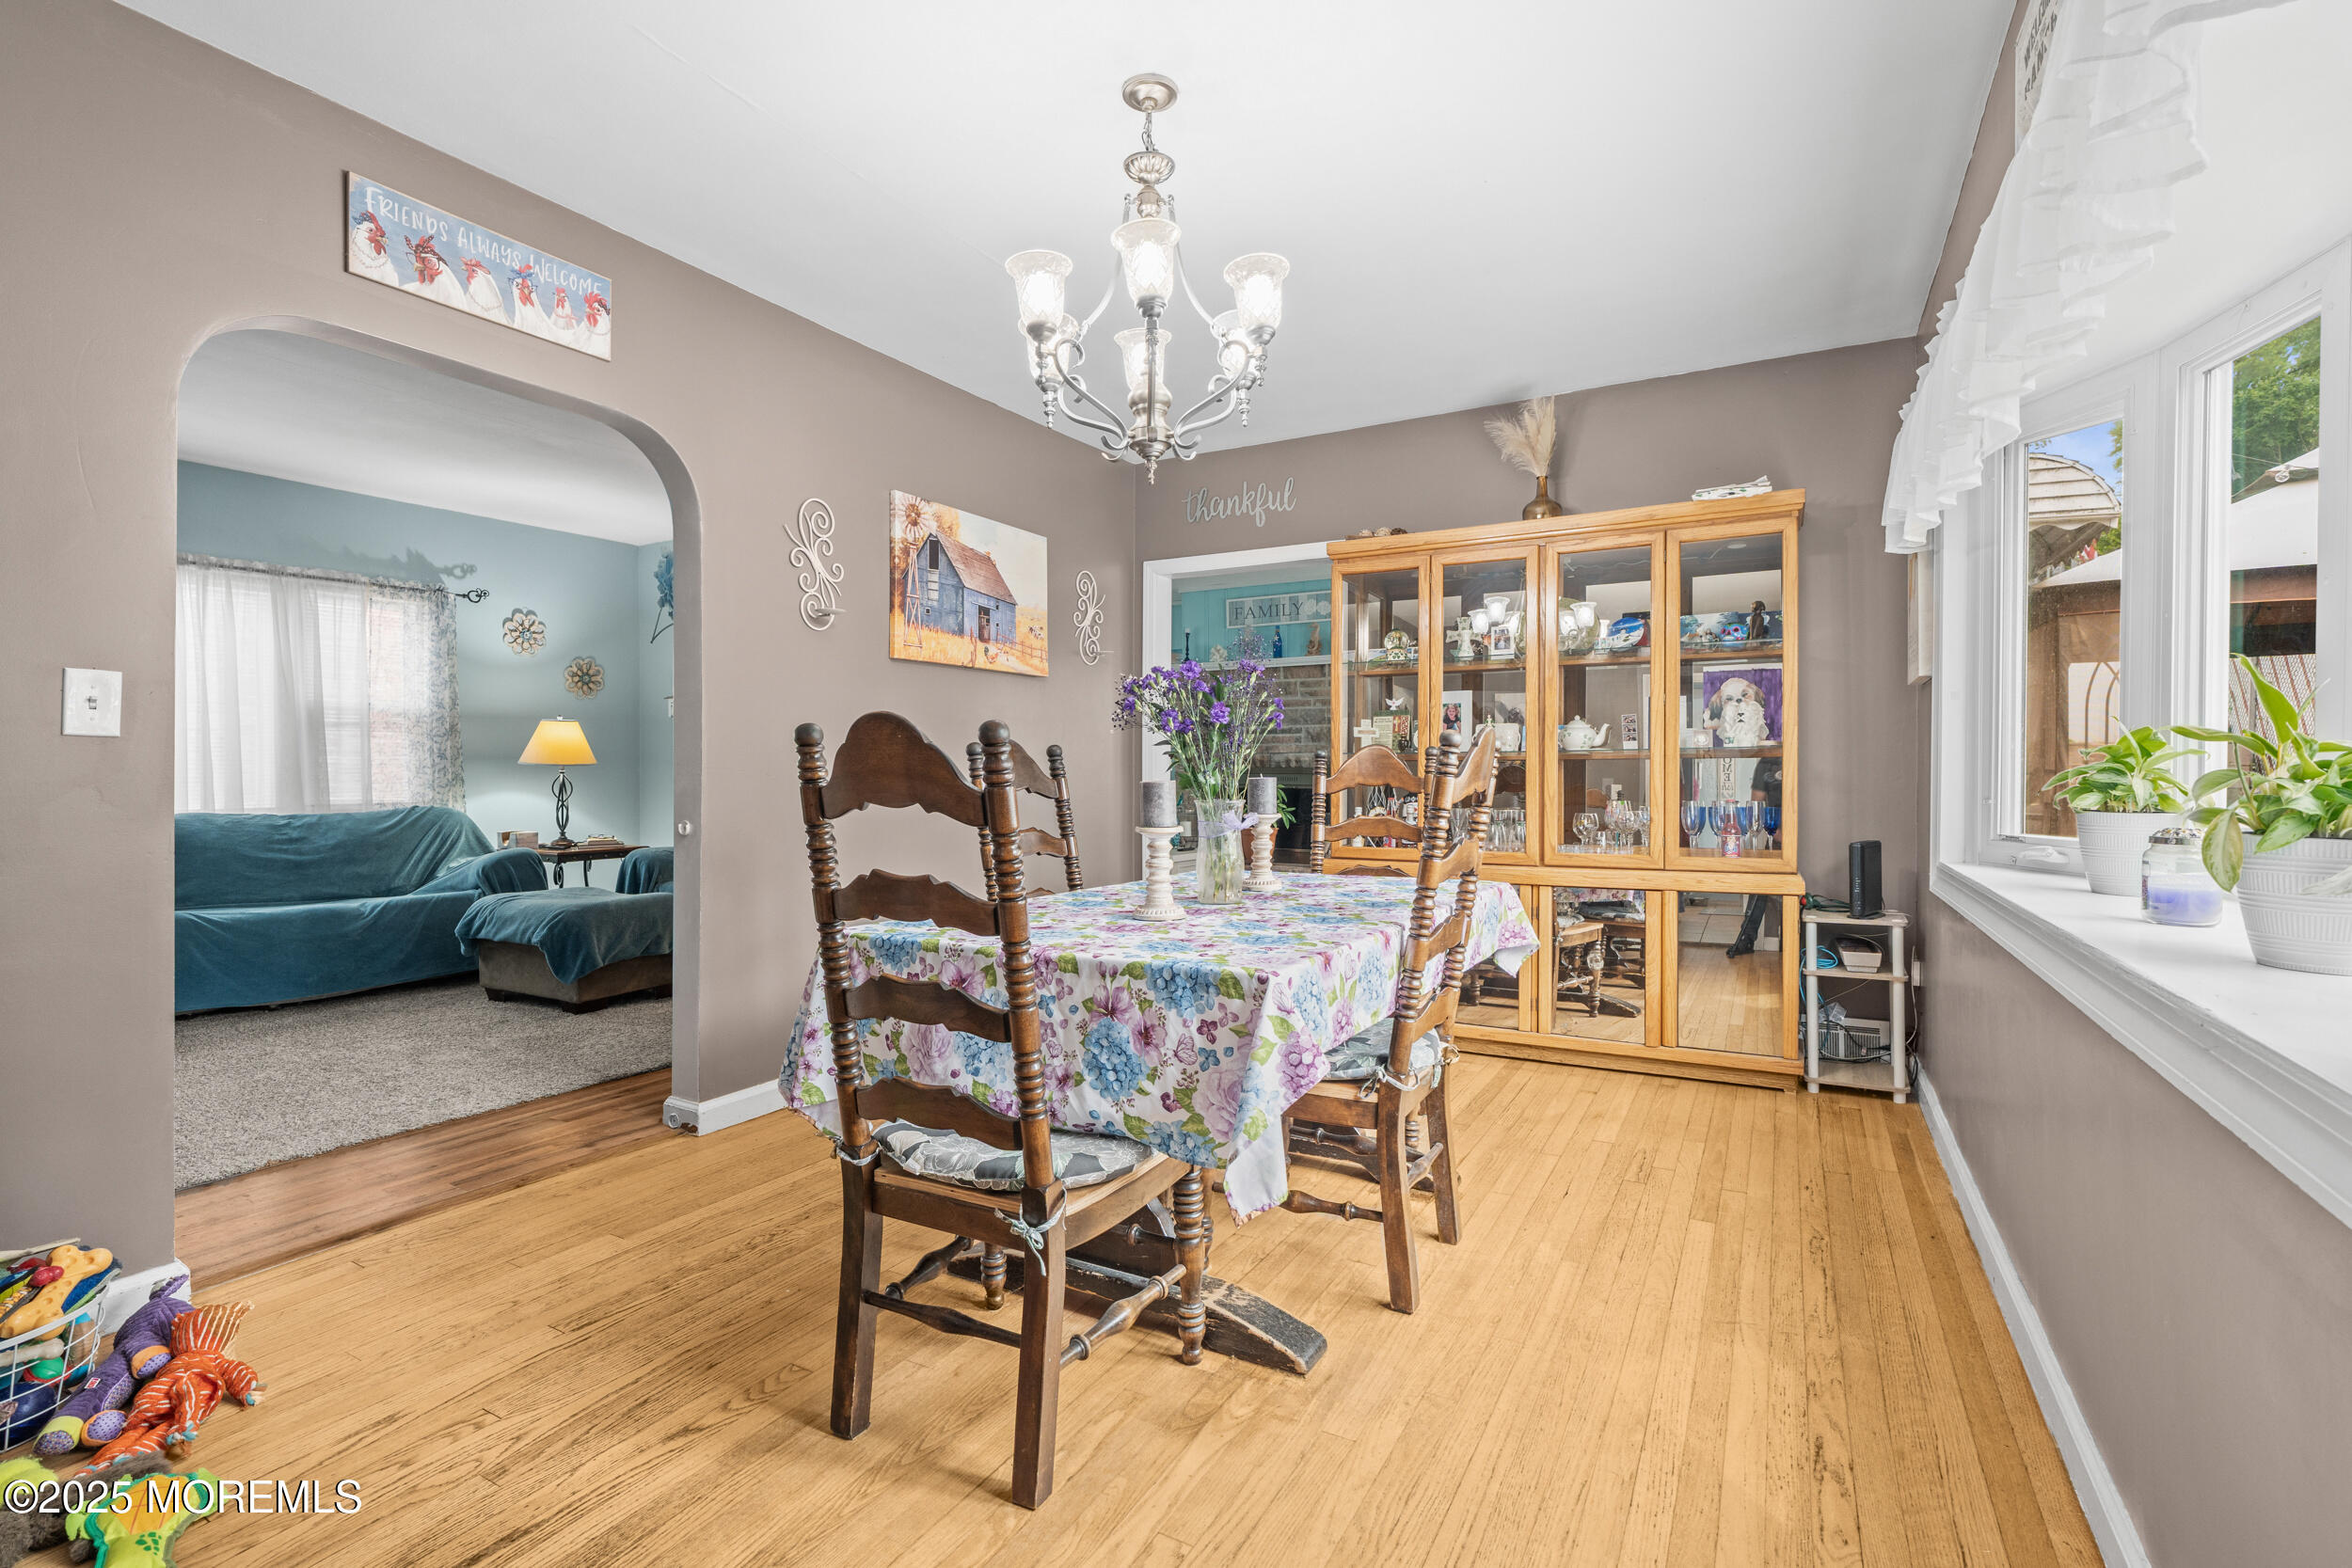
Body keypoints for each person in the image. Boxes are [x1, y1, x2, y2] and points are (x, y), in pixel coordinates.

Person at [1724, 754, 1782, 958]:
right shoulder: (1765, 764)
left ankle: (1794, 942)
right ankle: (1746, 939)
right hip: (1776, 833)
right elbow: (1756, 805)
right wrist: (1775, 831)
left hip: (1804, 831)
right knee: (1760, 887)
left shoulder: (1799, 755)